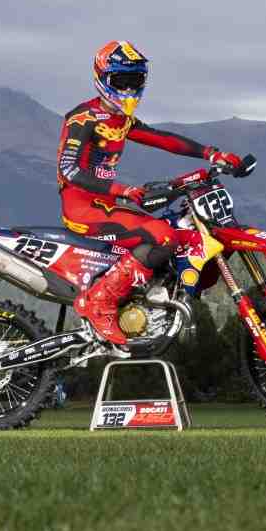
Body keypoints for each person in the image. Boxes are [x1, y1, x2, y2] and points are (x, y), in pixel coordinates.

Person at [57, 40, 244, 350]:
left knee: (175, 233)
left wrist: (212, 153)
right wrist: (123, 190)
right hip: (82, 208)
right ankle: (98, 301)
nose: (129, 89)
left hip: (106, 204)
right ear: (102, 78)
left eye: (136, 80)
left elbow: (162, 139)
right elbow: (69, 171)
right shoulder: (83, 118)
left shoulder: (121, 119)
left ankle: (144, 306)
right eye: (122, 81)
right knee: (163, 236)